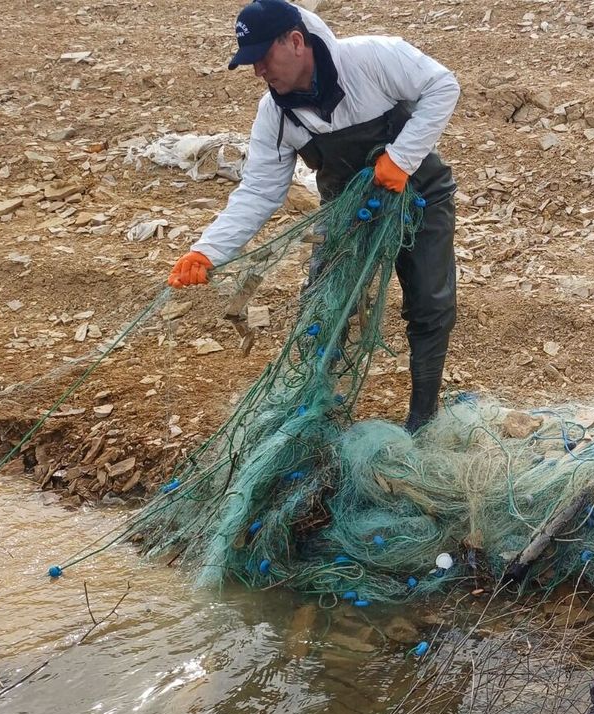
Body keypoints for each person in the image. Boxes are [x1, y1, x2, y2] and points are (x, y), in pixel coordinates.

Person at [166, 0, 460, 432]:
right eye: (251, 62)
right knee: (324, 307)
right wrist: (206, 251)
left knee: (430, 306)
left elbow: (442, 85)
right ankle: (317, 411)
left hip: (420, 199)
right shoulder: (276, 115)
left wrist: (400, 158)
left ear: (296, 42)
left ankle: (423, 418)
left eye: (263, 57)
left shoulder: (372, 58)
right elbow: (260, 191)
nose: (258, 72)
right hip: (347, 215)